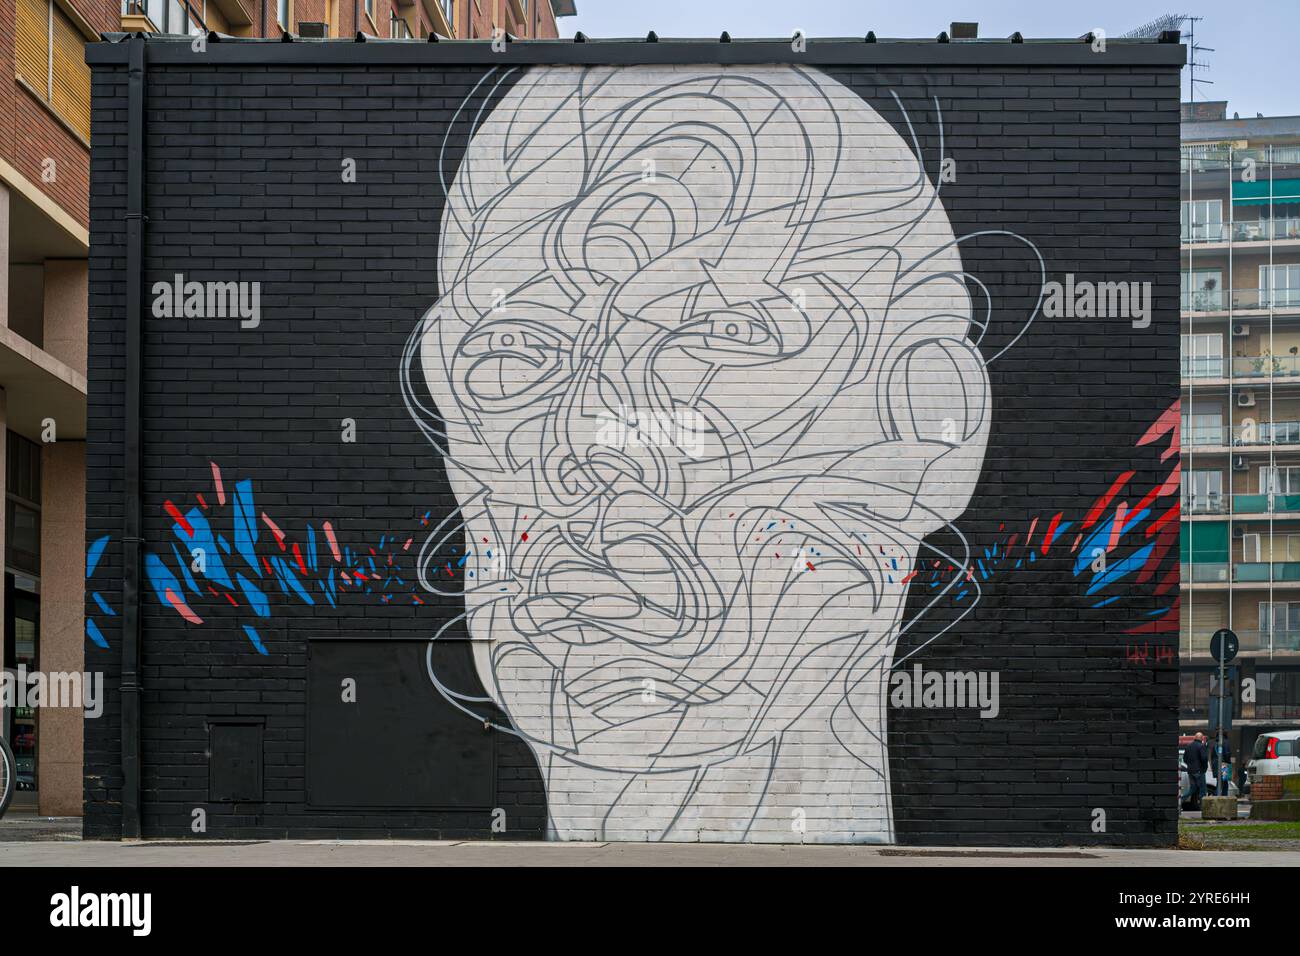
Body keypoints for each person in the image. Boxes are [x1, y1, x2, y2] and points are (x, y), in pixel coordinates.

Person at [1184, 732, 1209, 810]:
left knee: (1193, 788)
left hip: (1190, 771)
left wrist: (1190, 766)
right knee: (1203, 790)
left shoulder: (1188, 746)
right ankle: (1203, 807)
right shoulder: (1201, 746)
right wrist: (1204, 768)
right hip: (1199, 771)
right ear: (1201, 738)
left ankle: (1180, 800)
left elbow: (1185, 759)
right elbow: (1204, 759)